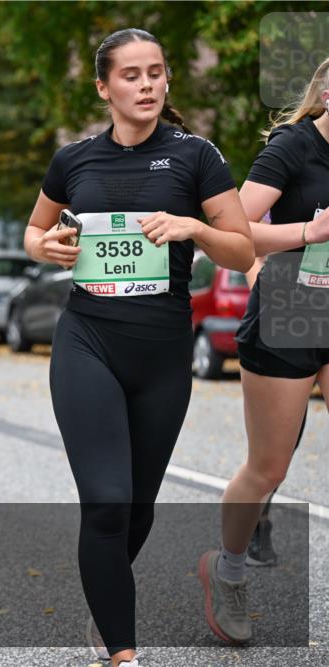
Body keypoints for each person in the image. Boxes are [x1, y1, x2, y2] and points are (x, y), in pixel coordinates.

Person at [23, 29, 253, 667]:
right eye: (131, 75)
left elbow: (241, 248)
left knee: (137, 507)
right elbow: (35, 231)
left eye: (156, 72)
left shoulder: (196, 157)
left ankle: (105, 598)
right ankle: (122, 650)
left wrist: (195, 227)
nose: (146, 84)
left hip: (161, 354)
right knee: (105, 501)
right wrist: (46, 247)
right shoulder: (75, 161)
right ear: (104, 88)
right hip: (87, 341)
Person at [199, 57, 329, 645]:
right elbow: (237, 230)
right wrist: (307, 232)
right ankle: (227, 570)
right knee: (269, 467)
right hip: (291, 308)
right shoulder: (292, 149)